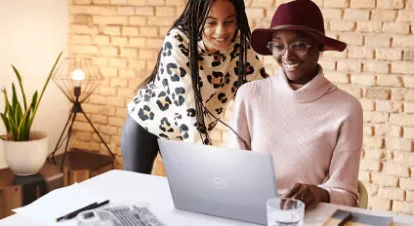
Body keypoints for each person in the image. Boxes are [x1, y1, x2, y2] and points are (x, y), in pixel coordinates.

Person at [227, 0, 363, 208]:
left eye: (299, 44)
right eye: (278, 45)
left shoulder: (346, 108)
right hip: (251, 211)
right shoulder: (250, 95)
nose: (287, 55)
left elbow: (346, 195)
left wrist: (319, 193)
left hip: (307, 217)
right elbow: (232, 171)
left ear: (320, 46)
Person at [121, 0, 268, 173]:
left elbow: (261, 91)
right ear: (198, 19)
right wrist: (207, 162)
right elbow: (188, 109)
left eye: (229, 21)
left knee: (184, 194)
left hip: (185, 135)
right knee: (138, 190)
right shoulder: (178, 41)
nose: (221, 31)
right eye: (211, 22)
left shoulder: (240, 45)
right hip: (146, 125)